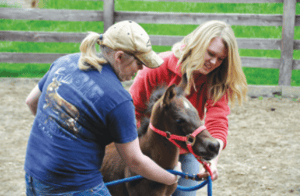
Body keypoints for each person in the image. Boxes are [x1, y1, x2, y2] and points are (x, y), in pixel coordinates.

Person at [24, 20, 180, 195]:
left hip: (34, 173)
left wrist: (57, 129)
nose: (142, 68)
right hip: (75, 185)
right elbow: (135, 161)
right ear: (119, 57)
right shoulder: (119, 99)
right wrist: (172, 177)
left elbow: (31, 101)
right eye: (139, 62)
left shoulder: (66, 61)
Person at [129, 20, 248, 196]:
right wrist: (144, 154)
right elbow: (132, 110)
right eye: (210, 53)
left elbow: (218, 120)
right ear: (197, 44)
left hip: (185, 148)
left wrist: (213, 161)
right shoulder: (157, 67)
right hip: (146, 149)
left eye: (221, 59)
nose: (213, 62)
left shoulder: (216, 79)